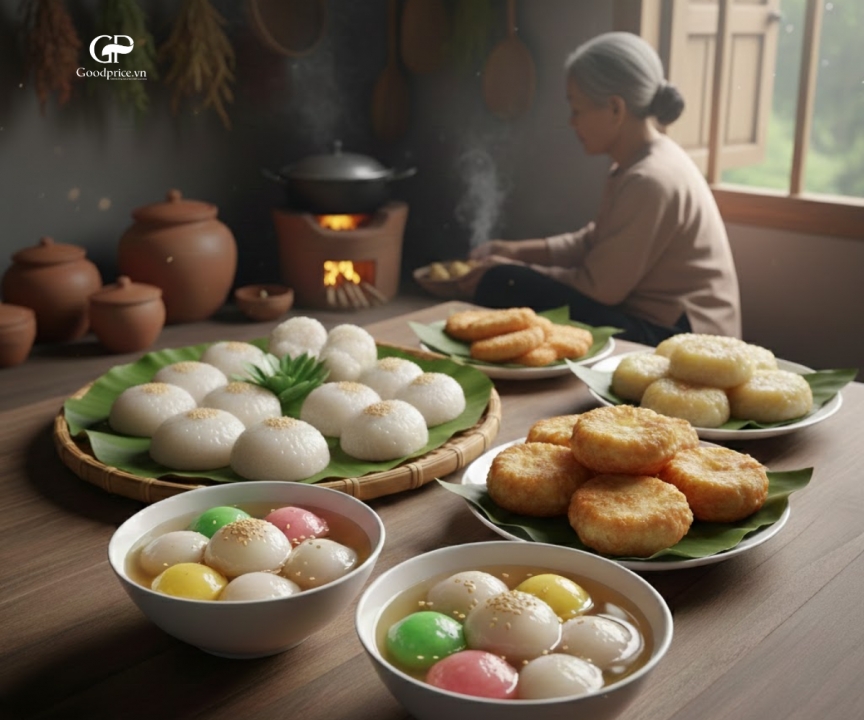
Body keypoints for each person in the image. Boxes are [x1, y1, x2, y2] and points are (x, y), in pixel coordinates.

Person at [465, 31, 742, 345]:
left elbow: (600, 287)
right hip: (657, 319)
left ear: (615, 109)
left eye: (577, 109)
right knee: (509, 276)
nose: (572, 122)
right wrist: (520, 250)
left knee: (504, 282)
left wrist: (515, 269)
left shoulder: (649, 179)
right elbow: (596, 242)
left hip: (680, 336)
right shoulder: (640, 164)